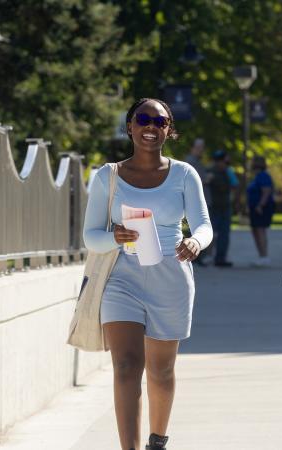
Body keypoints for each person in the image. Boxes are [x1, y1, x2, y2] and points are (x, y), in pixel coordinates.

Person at [83, 98, 212, 450]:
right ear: (129, 127)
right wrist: (115, 236)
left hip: (170, 276)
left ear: (169, 129)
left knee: (161, 370)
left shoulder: (184, 174)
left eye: (160, 121)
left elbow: (203, 225)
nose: (151, 127)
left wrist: (196, 243)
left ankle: (157, 440)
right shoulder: (107, 176)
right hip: (121, 278)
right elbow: (90, 236)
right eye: (143, 119)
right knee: (126, 365)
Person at [207, 149, 239, 267]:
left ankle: (220, 258)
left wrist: (234, 201)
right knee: (212, 233)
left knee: (223, 234)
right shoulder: (216, 171)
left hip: (223, 206)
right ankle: (209, 257)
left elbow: (235, 186)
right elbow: (235, 186)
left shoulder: (223, 171)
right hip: (215, 207)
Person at [185, 138, 211, 265]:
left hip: (203, 199)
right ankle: (195, 256)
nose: (201, 150)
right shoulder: (190, 162)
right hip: (195, 201)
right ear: (192, 148)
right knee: (196, 228)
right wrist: (208, 178)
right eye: (199, 147)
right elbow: (200, 179)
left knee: (202, 228)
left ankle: (198, 255)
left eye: (202, 147)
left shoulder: (198, 161)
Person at [247, 155, 275, 266]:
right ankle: (261, 256)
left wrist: (260, 205)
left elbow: (266, 191)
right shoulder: (257, 176)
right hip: (255, 207)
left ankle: (264, 256)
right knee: (255, 230)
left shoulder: (263, 176)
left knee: (260, 230)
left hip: (262, 207)